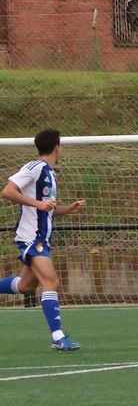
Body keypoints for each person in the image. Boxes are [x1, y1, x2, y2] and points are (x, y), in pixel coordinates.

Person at [2, 128, 86, 351]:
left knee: (26, 286)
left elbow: (45, 210)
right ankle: (58, 338)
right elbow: (8, 192)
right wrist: (39, 204)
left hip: (41, 238)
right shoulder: (35, 167)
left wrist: (67, 209)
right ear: (57, 146)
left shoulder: (50, 173)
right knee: (51, 282)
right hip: (31, 238)